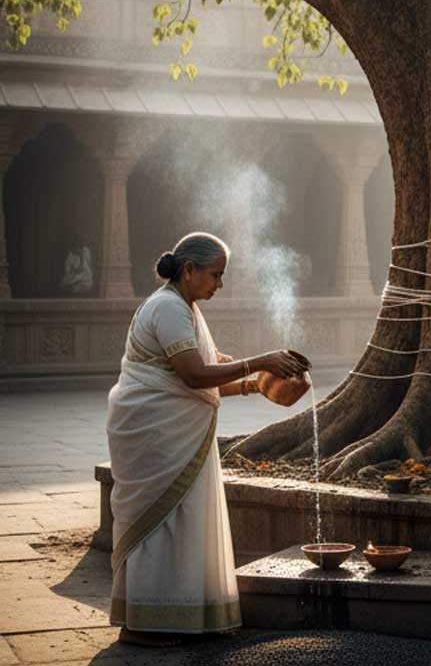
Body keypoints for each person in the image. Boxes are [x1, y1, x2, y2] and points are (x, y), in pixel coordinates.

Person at [108, 233, 309, 647]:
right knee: (159, 525)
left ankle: (175, 618)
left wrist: (258, 385)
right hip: (155, 435)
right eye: (215, 275)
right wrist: (261, 361)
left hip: (178, 435)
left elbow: (211, 372)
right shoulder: (167, 307)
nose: (219, 284)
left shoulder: (186, 308)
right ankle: (144, 625)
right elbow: (194, 375)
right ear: (188, 270)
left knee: (181, 522)